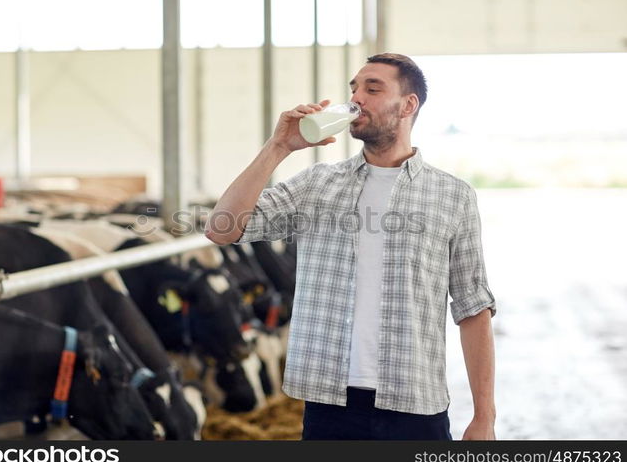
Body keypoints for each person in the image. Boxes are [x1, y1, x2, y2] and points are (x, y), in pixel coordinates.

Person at [205, 53, 497, 441]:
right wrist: (278, 147)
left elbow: (473, 307)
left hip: (415, 404)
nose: (357, 97)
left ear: (408, 105)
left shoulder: (452, 196)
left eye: (373, 88)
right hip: (329, 406)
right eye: (354, 88)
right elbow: (222, 229)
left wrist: (483, 417)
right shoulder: (317, 185)